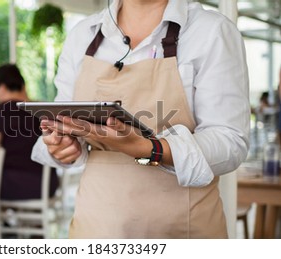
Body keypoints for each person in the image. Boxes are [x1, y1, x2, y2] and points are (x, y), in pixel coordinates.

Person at [32, 0, 249, 238]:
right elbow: (63, 119)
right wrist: (64, 145)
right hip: (94, 228)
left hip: (182, 232)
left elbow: (230, 142)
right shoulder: (82, 35)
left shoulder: (211, 32)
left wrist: (149, 149)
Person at [0, 64, 59, 204]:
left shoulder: (1, 110)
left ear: (1, 87)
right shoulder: (42, 108)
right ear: (23, 85)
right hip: (50, 184)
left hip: (21, 185)